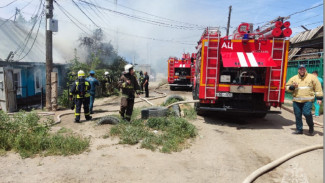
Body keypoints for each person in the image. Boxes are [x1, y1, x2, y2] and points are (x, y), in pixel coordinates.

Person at [286, 65, 323, 135]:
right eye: (300, 69)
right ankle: (299, 130)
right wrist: (291, 87)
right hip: (296, 101)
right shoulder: (294, 78)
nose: (302, 70)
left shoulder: (312, 77)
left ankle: (311, 127)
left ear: (305, 69)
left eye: (303, 69)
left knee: (307, 113)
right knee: (298, 115)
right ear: (298, 70)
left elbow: (318, 88)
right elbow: (287, 86)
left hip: (307, 101)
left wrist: (319, 98)